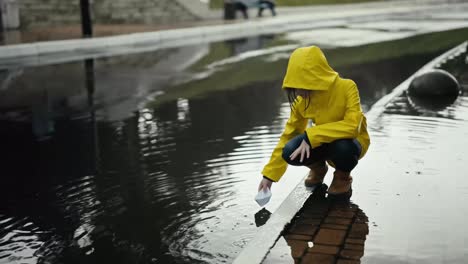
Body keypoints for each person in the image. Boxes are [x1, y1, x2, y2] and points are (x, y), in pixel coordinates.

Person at [257, 46, 370, 197]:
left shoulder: (347, 87)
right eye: (295, 86)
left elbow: (352, 127)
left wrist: (310, 136)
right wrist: (269, 176)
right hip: (324, 143)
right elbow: (288, 135)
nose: (298, 92)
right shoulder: (301, 101)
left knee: (343, 146)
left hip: (351, 143)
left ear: (318, 77)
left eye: (303, 85)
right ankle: (318, 169)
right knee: (290, 150)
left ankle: (342, 177)